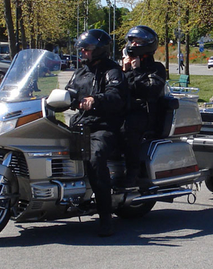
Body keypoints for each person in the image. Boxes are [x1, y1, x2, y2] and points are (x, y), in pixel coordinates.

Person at [66, 29, 128, 237]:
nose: (83, 51)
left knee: (95, 158)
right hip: (80, 124)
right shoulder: (80, 72)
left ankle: (105, 218)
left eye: (88, 48)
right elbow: (68, 92)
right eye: (82, 48)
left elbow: (116, 95)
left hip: (104, 127)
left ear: (100, 49)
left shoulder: (112, 71)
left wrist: (96, 100)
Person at [121, 25, 167, 189]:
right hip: (125, 110)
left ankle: (133, 172)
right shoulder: (125, 66)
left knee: (128, 127)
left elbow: (149, 91)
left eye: (137, 41)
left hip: (145, 114)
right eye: (132, 41)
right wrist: (124, 71)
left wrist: (136, 70)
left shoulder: (157, 69)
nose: (133, 45)